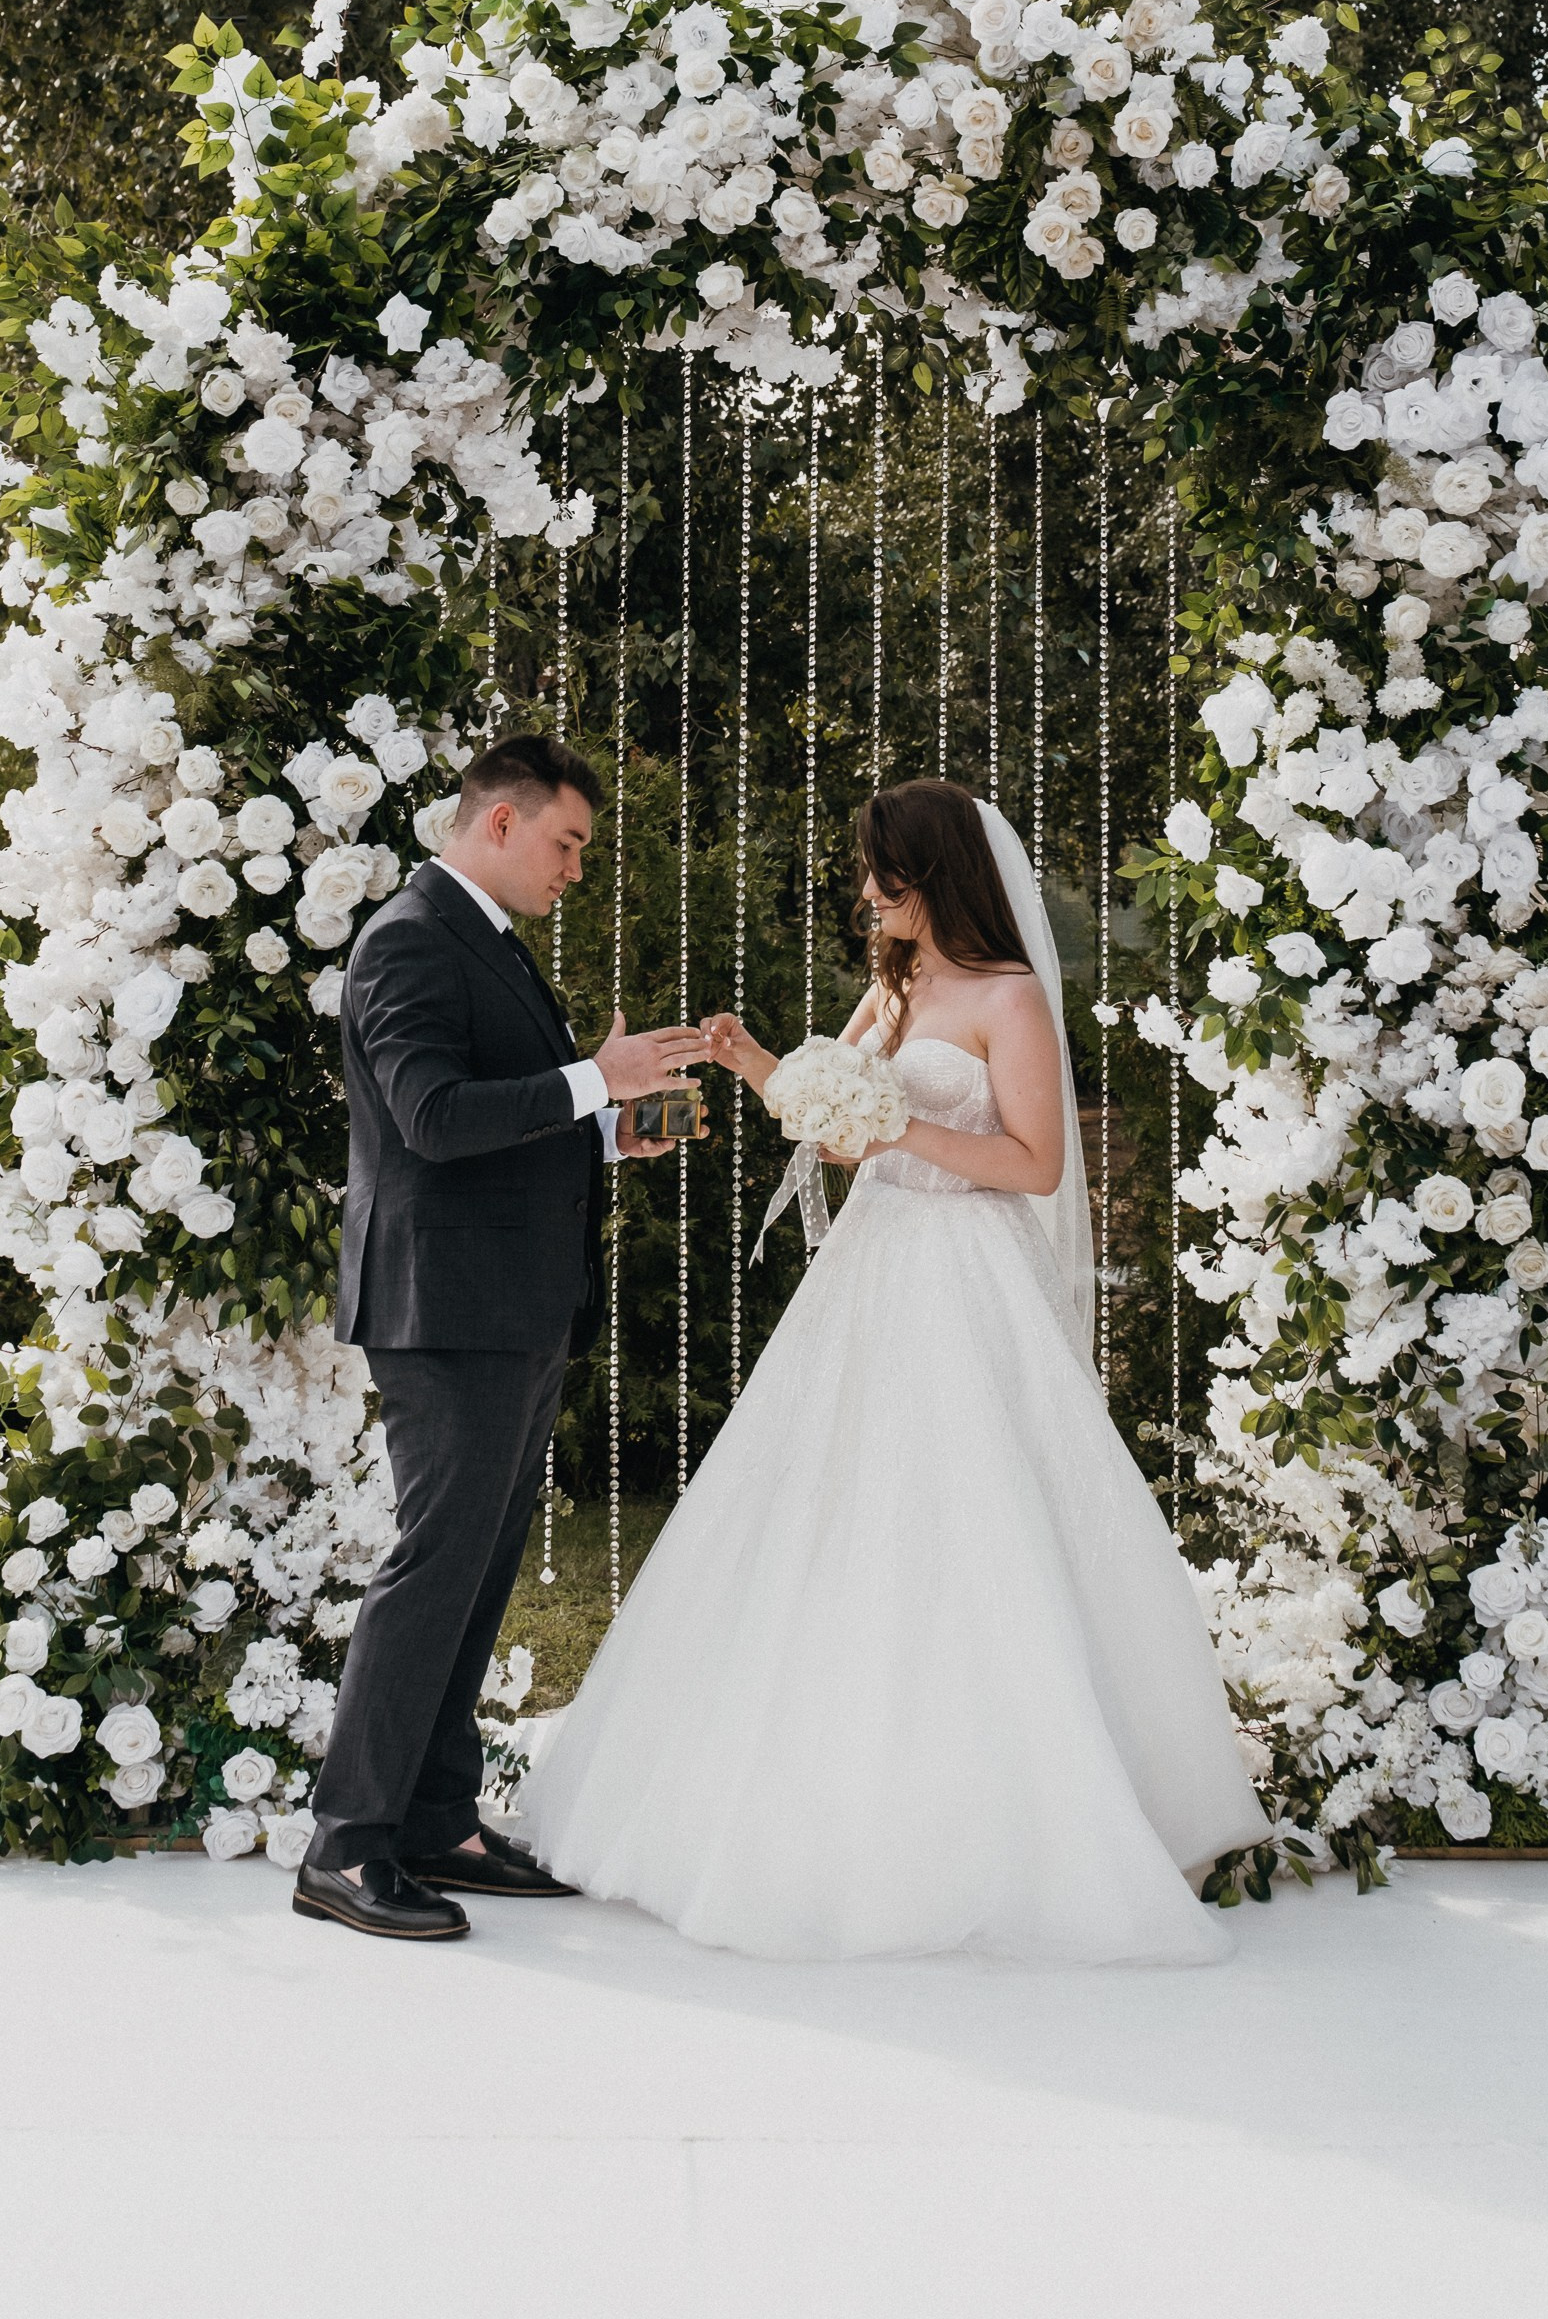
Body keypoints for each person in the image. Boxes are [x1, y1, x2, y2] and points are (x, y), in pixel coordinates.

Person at [518, 777, 1269, 1962]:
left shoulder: (1008, 996)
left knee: (976, 1514)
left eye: (884, 872)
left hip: (964, 1270)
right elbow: (830, 1124)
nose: (867, 890)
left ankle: (1022, 1805)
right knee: (830, 1507)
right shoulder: (898, 981)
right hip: (873, 1262)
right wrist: (753, 1060)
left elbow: (1033, 1163)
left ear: (934, 874)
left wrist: (898, 1131)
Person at [292, 734, 702, 1943]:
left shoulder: (487, 940)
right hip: (445, 1309)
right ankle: (344, 1845)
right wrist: (593, 1079)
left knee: (474, 1573)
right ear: (501, 822)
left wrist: (611, 1128)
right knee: (434, 1569)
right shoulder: (409, 939)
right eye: (566, 842)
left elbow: (500, 1115)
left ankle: (433, 1818)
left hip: (509, 1304)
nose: (575, 867)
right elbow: (428, 1116)